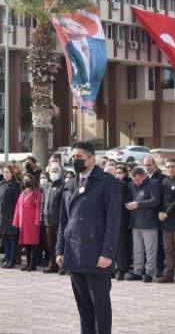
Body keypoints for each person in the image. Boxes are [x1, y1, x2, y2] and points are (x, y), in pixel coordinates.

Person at [57, 142, 121, 334]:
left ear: (91, 159)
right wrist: (60, 249)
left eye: (79, 157)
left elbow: (113, 220)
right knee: (84, 308)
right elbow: (64, 220)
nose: (74, 161)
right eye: (73, 157)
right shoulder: (70, 184)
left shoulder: (107, 182)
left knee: (100, 307)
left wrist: (107, 253)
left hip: (96, 254)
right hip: (74, 253)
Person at [126, 166, 161, 282]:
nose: (136, 182)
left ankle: (149, 272)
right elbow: (130, 198)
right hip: (136, 222)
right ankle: (137, 271)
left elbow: (155, 201)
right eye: (134, 180)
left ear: (144, 176)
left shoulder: (153, 184)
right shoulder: (133, 186)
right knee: (137, 249)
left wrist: (138, 204)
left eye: (138, 180)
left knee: (150, 250)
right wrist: (129, 204)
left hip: (149, 222)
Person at [13, 173, 43, 272]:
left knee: (33, 244)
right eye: (24, 180)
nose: (26, 182)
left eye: (28, 180)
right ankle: (28, 263)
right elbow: (18, 208)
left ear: (32, 180)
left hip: (32, 222)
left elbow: (39, 207)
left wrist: (37, 220)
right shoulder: (22, 193)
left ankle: (33, 264)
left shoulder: (37, 192)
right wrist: (16, 221)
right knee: (26, 244)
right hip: (23, 223)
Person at [0, 164, 21, 268]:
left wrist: (16, 216)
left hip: (11, 215)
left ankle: (12, 260)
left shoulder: (15, 185)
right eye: (4, 172)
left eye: (7, 172)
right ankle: (7, 258)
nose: (5, 174)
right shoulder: (1, 184)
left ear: (12, 174)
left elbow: (17, 202)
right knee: (4, 238)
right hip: (2, 215)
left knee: (12, 238)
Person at [41, 163, 66, 274]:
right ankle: (53, 266)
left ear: (60, 173)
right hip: (48, 220)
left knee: (60, 244)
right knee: (50, 245)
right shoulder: (46, 185)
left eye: (56, 171)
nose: (54, 173)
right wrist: (42, 217)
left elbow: (64, 204)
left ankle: (62, 266)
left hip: (59, 220)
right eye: (52, 170)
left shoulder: (63, 185)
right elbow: (43, 202)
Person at [112, 164, 133, 280]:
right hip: (113, 219)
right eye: (117, 172)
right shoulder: (114, 184)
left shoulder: (125, 185)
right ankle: (115, 268)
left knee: (122, 246)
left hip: (123, 219)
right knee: (114, 246)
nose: (118, 175)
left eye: (120, 173)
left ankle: (121, 269)